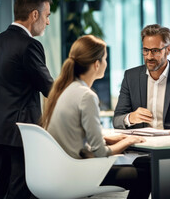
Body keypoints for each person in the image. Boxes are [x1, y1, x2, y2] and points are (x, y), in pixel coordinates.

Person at [40, 35, 151, 199]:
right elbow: (100, 152)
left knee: (144, 164)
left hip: (61, 169)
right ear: (96, 64)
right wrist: (128, 140)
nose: (106, 63)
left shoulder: (65, 89)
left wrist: (107, 138)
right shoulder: (87, 96)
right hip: (79, 174)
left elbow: (76, 134)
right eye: (105, 59)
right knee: (147, 172)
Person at [0, 0, 54, 199]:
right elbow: (49, 88)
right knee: (20, 191)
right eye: (47, 16)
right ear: (34, 15)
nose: (47, 22)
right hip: (21, 133)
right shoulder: (30, 45)